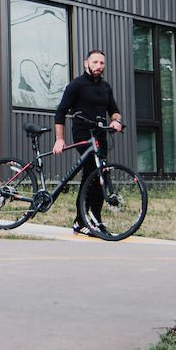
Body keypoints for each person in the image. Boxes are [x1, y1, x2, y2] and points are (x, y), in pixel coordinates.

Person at [52, 49, 125, 236]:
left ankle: (93, 220)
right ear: (86, 63)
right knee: (92, 172)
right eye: (95, 62)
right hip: (83, 133)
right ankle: (83, 220)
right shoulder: (77, 85)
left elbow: (114, 110)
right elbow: (60, 112)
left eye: (102, 63)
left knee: (99, 175)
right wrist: (60, 139)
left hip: (100, 135)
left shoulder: (106, 87)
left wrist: (116, 120)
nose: (98, 66)